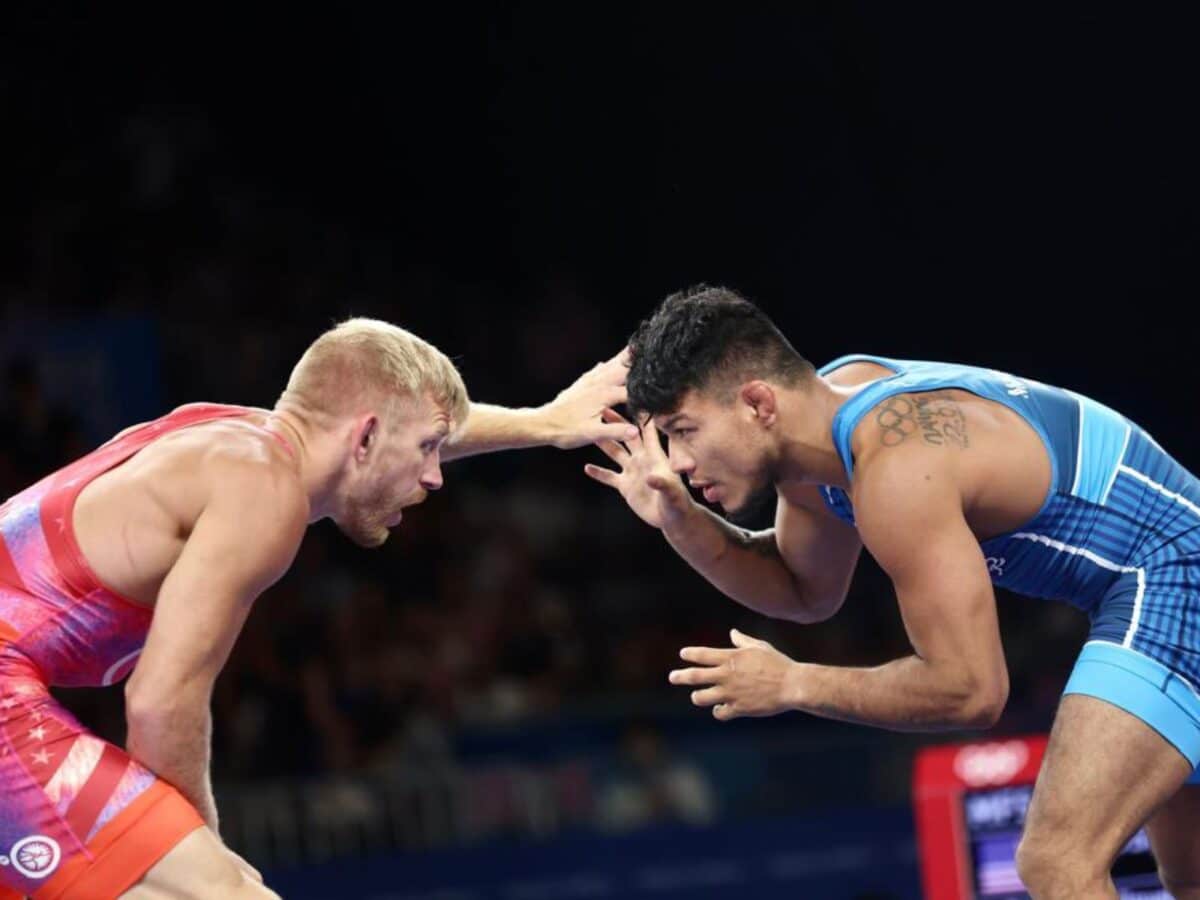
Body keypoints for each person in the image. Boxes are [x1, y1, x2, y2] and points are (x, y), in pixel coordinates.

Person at [587, 285, 1200, 899]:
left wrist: (794, 683)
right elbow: (804, 590)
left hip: (1175, 570)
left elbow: (971, 691)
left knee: (1057, 859)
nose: (680, 462)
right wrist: (680, 521)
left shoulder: (897, 469)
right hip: (1154, 578)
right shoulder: (819, 432)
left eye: (684, 430)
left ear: (756, 403)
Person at [0, 317, 635, 900]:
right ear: (364, 438)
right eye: (429, 450)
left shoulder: (231, 437)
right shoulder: (262, 493)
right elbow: (159, 702)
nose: (438, 476)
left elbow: (408, 420)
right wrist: (208, 848)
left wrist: (547, 422)